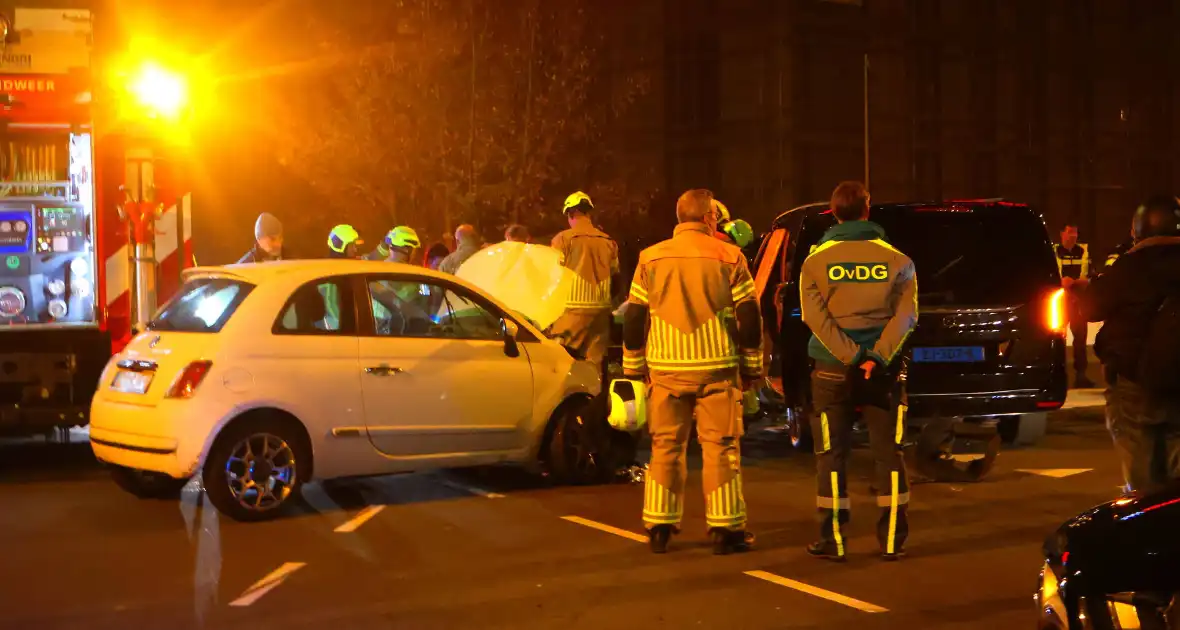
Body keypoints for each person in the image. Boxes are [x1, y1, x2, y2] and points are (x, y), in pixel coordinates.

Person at [622, 188, 763, 555]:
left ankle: (659, 526)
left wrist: (635, 368)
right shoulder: (730, 256)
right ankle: (726, 529)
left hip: (666, 370)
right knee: (721, 447)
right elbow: (749, 318)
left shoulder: (649, 258)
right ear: (708, 218)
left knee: (665, 447)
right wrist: (752, 368)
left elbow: (634, 318)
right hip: (716, 369)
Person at [799, 181, 916, 562]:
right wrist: (876, 357)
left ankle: (832, 538)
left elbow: (814, 318)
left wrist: (850, 356)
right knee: (888, 453)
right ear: (868, 209)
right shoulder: (898, 259)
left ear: (833, 213)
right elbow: (907, 316)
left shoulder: (815, 261)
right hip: (883, 372)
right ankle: (892, 540)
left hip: (832, 371)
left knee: (831, 455)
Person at [1085, 196, 1180, 495]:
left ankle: (1148, 533)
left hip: (1133, 384)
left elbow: (1090, 309)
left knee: (1142, 483)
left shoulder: (1130, 266)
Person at [550, 192, 619, 370]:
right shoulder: (608, 241)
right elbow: (616, 278)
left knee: (562, 365)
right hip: (600, 313)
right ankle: (595, 397)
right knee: (594, 366)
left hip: (571, 313)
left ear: (570, 214)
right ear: (589, 214)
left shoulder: (563, 239)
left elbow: (552, 276)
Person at [1055, 222, 1095, 388]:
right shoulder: (1054, 251)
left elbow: (1091, 276)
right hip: (1058, 302)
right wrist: (1062, 283)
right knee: (1056, 339)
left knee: (1080, 339)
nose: (1073, 236)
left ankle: (1081, 376)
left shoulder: (1083, 251)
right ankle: (1057, 377)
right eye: (1070, 232)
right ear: (1061, 234)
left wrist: (1076, 282)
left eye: (1075, 233)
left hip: (1078, 300)